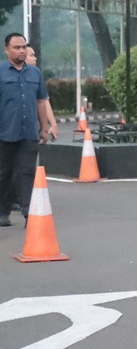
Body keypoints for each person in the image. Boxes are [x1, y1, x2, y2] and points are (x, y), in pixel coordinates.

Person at [0, 33, 52, 227]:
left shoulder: (35, 73)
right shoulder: (1, 72)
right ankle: (3, 211)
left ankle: (29, 213)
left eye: (23, 47)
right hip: (5, 132)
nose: (21, 51)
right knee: (4, 174)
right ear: (7, 50)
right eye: (17, 48)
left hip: (28, 133)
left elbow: (41, 101)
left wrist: (44, 128)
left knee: (27, 173)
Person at [24, 47, 57, 139]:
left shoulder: (36, 74)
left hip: (32, 128)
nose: (35, 58)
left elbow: (43, 101)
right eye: (31, 55)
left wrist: (52, 125)